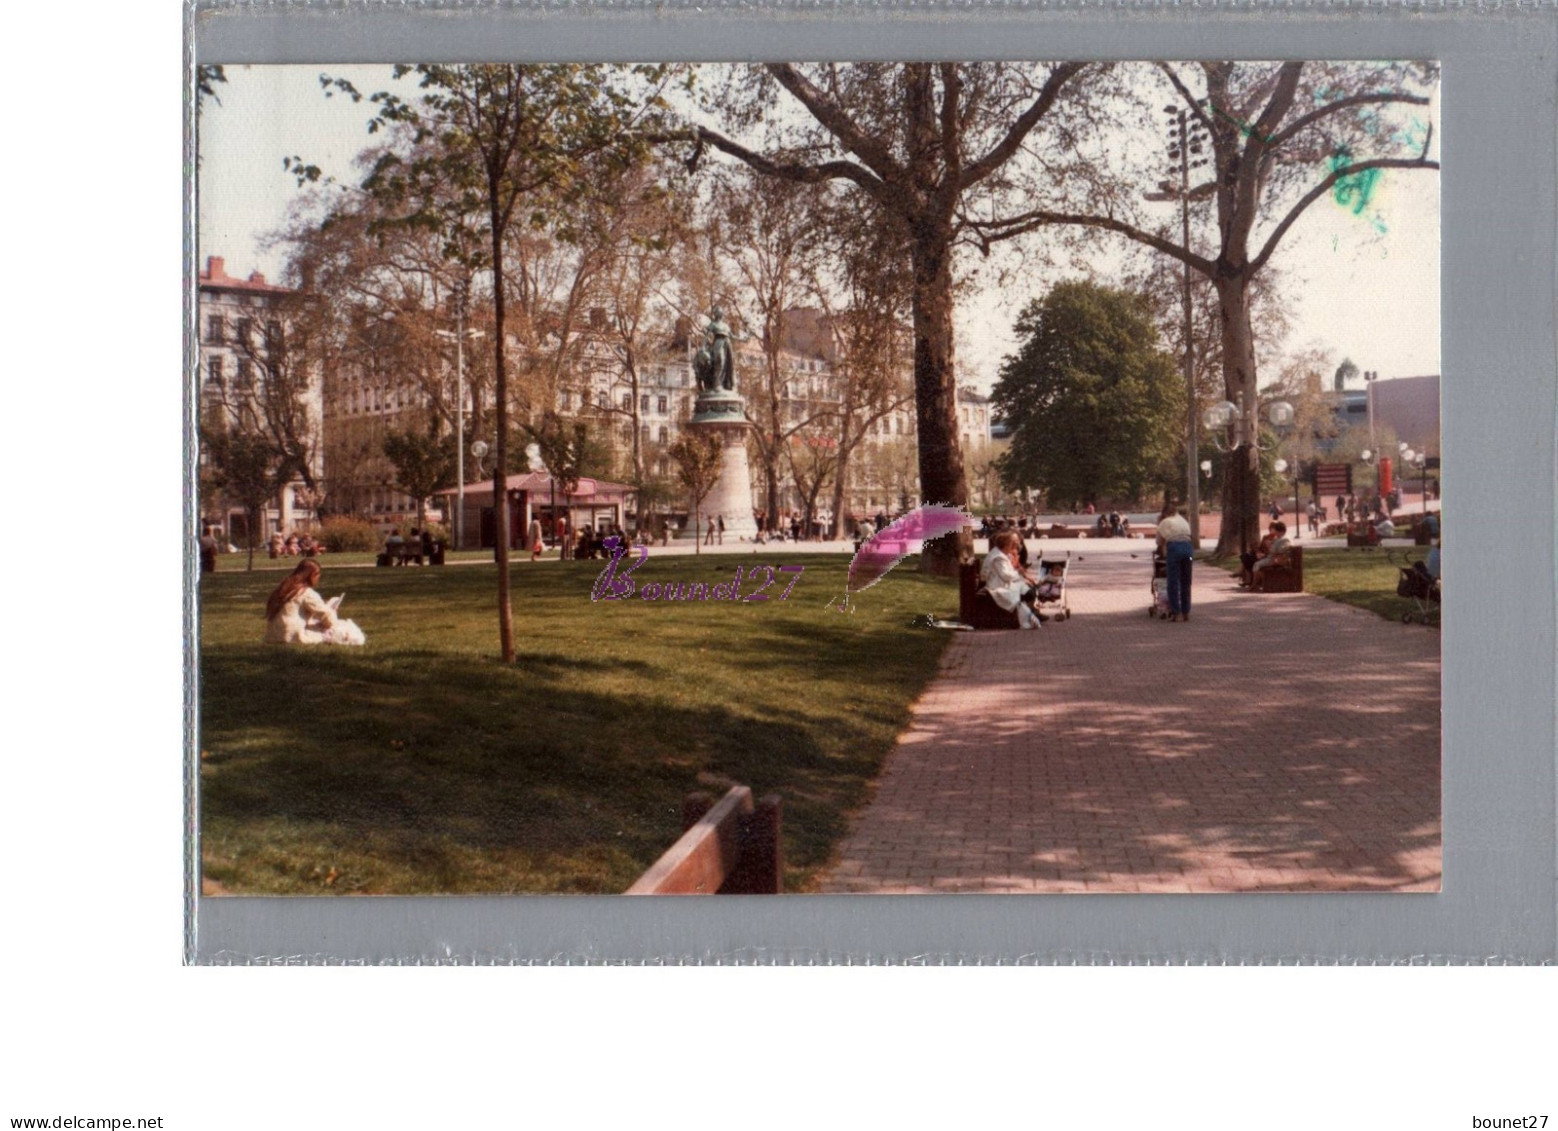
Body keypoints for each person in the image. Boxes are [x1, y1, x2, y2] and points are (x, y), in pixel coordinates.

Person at [264, 560, 364, 646]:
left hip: (272, 636)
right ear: (312, 575)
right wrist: (332, 615)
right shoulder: (306, 592)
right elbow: (326, 615)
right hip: (291, 636)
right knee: (341, 630)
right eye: (317, 574)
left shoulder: (283, 589)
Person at [980, 530, 1045, 629]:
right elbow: (1006, 575)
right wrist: (1020, 577)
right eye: (1013, 543)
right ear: (1006, 544)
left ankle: (1032, 613)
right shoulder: (998, 557)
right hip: (997, 586)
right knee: (1029, 592)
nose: (1016, 545)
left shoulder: (1001, 553)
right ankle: (1029, 615)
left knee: (1031, 588)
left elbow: (1009, 573)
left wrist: (1021, 577)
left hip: (1003, 583)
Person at [1155, 506, 1195, 621]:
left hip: (1174, 548)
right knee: (1186, 581)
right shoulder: (1183, 521)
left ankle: (1176, 611)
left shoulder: (1165, 522)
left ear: (1165, 513)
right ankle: (1186, 611)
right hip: (1188, 550)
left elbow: (1158, 541)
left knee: (1173, 581)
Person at [1244, 521, 1292, 588]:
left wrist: (1269, 546)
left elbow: (1281, 550)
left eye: (1277, 531)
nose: (1276, 533)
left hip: (1277, 559)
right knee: (1255, 563)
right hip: (1272, 558)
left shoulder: (1285, 539)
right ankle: (1257, 583)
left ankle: (1255, 584)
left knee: (1257, 564)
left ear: (1282, 531)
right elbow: (1272, 549)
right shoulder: (1278, 538)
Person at [1239, 523, 1279, 588]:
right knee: (1245, 556)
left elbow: (1273, 551)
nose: (1271, 530)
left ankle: (1248, 579)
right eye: (1271, 528)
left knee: (1249, 560)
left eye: (1273, 529)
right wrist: (1258, 551)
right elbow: (1261, 547)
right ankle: (1248, 579)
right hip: (1261, 554)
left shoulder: (1276, 539)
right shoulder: (1265, 537)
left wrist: (1265, 553)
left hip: (1267, 557)